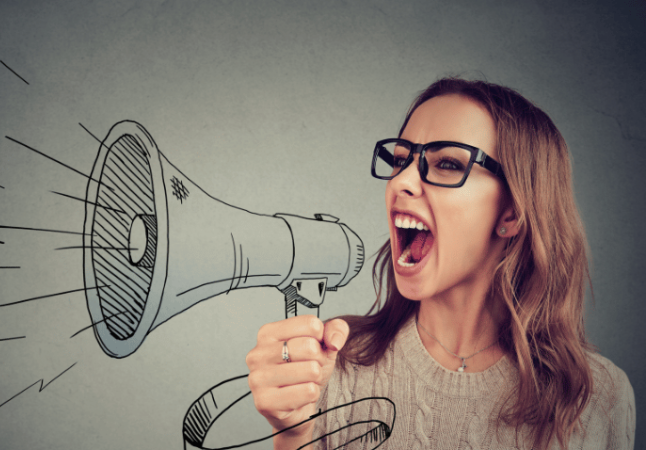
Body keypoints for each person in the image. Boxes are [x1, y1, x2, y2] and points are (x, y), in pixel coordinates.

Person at [245, 78, 636, 449]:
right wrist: (292, 435)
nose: (401, 182)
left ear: (512, 213)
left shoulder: (599, 397)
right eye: (400, 161)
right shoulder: (334, 368)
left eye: (447, 164)